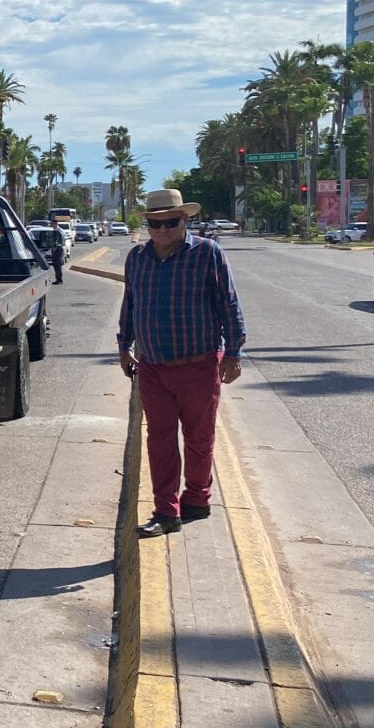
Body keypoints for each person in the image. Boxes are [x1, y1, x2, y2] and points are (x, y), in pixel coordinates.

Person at [118, 189, 247, 538]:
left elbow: (229, 304)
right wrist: (123, 344)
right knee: (159, 438)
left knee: (199, 438)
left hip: (199, 364)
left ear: (184, 221)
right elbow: (130, 304)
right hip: (152, 366)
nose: (161, 231)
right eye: (154, 224)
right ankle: (165, 511)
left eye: (170, 223)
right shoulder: (137, 258)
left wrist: (234, 352)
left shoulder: (207, 253)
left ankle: (198, 499)